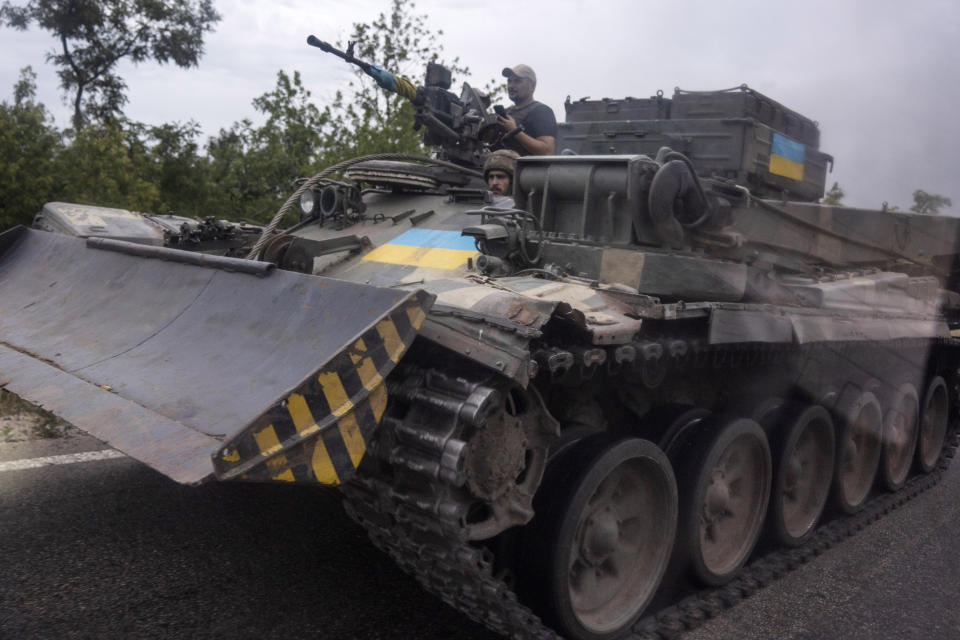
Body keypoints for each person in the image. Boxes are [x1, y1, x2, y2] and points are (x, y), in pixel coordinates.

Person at [497, 64, 557, 156]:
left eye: (517, 81)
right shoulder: (507, 113)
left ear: (532, 86)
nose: (511, 86)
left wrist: (514, 130)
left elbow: (547, 151)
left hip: (525, 168)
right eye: (509, 81)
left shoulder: (542, 112)